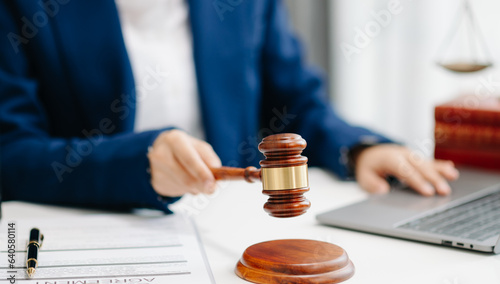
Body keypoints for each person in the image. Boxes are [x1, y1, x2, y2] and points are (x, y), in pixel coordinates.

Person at [0, 0, 458, 213]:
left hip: (232, 235)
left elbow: (296, 101)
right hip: (95, 233)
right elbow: (11, 153)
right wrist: (136, 164)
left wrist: (359, 149)